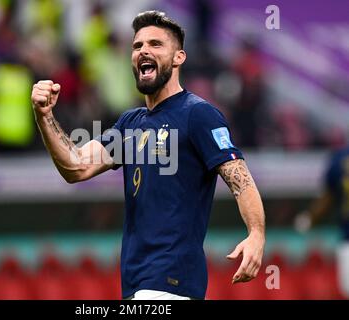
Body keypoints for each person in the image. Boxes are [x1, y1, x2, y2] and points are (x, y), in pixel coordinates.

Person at [31, 11, 265, 300]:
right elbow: (75, 166)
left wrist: (256, 233)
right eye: (137, 45)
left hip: (173, 281)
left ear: (179, 57)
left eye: (155, 44)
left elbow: (239, 176)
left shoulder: (198, 114)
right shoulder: (131, 124)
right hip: (136, 283)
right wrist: (44, 117)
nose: (143, 50)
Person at [295, 146, 349, 298]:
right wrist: (310, 218)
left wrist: (308, 219)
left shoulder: (341, 158)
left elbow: (327, 198)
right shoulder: (340, 159)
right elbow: (328, 196)